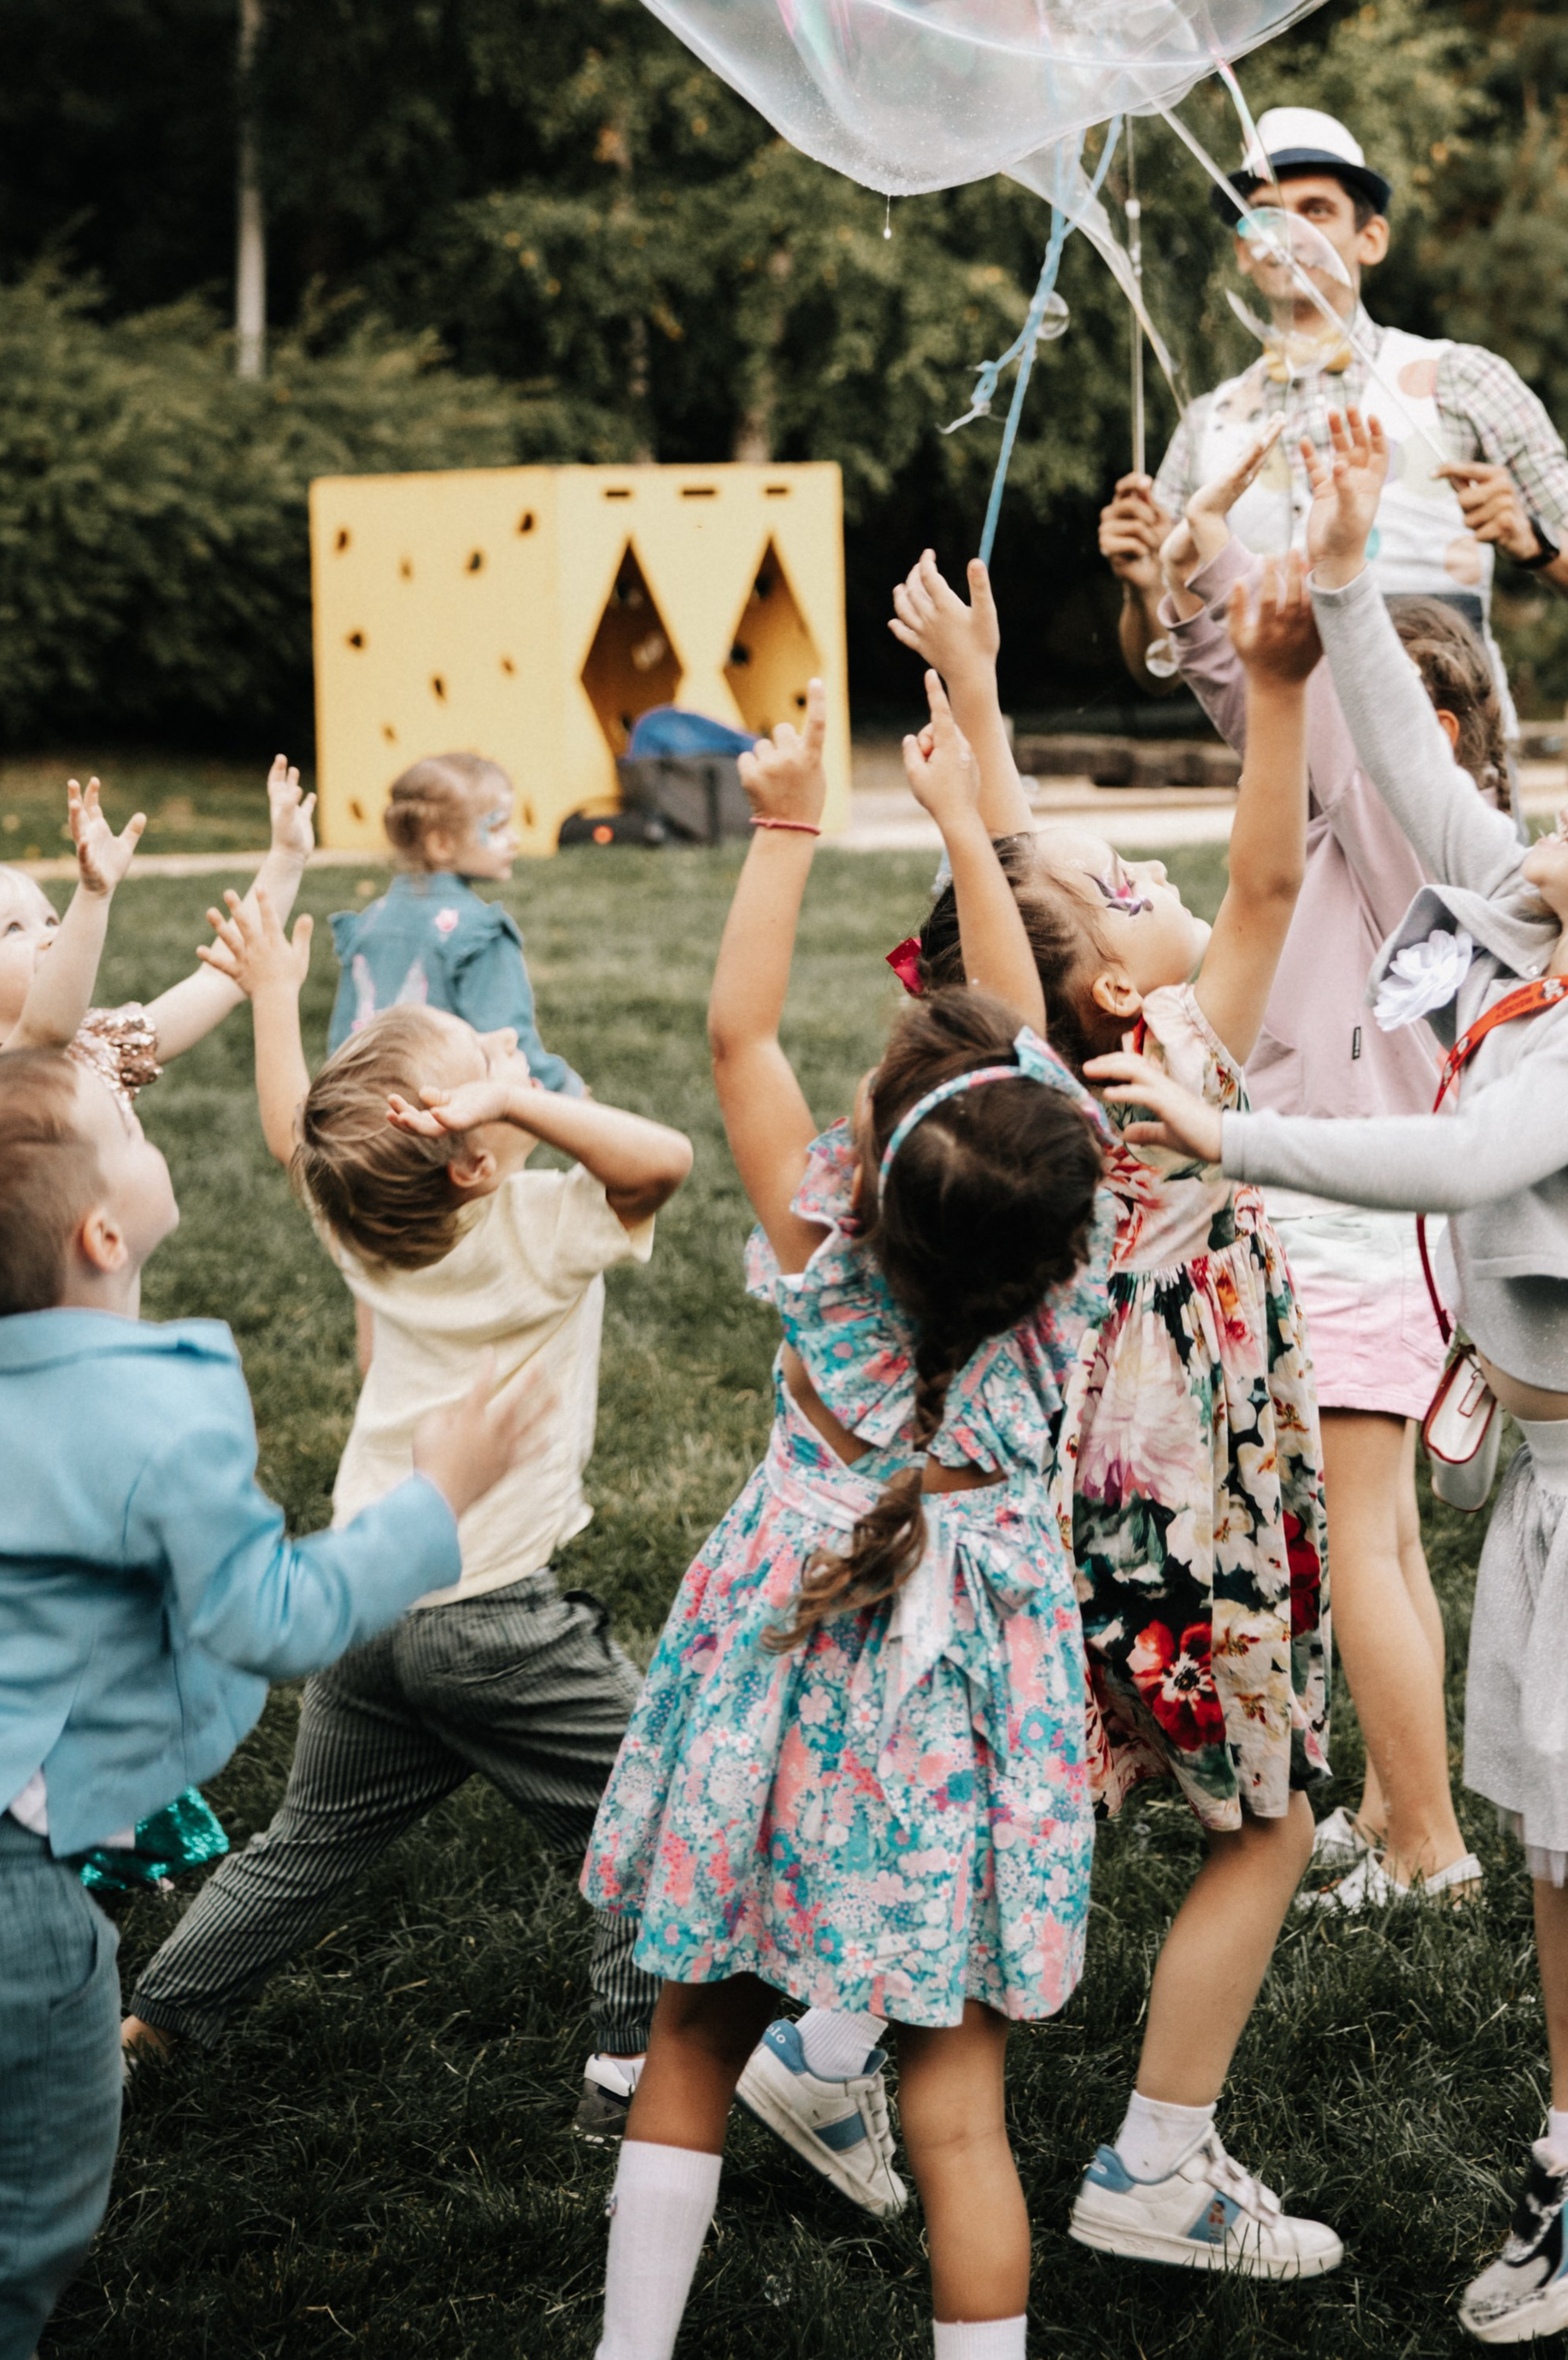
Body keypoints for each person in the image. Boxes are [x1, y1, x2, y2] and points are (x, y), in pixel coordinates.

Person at [1096, 406, 1568, 2359]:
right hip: (1553, 1487)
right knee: (1558, 1843)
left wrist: (1230, 1135)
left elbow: (1450, 1164)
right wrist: (1354, 570)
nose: (1555, 798)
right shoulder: (1535, 939)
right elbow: (1412, 765)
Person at [580, 677, 1113, 2360]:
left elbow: (737, 1035)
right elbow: (1025, 1056)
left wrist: (792, 826)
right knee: (957, 2121)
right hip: (960, 1726)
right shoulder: (1066, 1267)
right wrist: (966, 822)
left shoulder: (823, 1269)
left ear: (857, 1170)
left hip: (788, 1689)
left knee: (691, 2041)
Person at [0, 1045, 540, 2360]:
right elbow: (272, 1617)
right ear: (105, 1232)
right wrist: (436, 1497)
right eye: (125, 1129)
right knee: (0, 2230)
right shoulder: (157, 1413)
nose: (143, 1125)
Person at [883, 548, 1342, 2280]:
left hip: (1065, 1498)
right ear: (1118, 997)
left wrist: (982, 717)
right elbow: (1269, 871)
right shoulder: (1182, 1067)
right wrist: (1278, 695)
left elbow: (1018, 908)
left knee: (1054, 1775)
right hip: (1191, 1511)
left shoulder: (1038, 1085)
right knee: (1271, 1819)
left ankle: (820, 2052)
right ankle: (1158, 2159)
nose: (1156, 883)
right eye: (1131, 886)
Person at [120, 887, 691, 2117]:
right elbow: (665, 1159)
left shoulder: (356, 1217)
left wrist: (278, 993)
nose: (501, 1053)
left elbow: (293, 1131)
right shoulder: (541, 1227)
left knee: (307, 1839)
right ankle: (629, 2069)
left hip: (370, 1591)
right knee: (649, 1818)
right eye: (481, 1067)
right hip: (495, 1620)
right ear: (477, 1152)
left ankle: (154, 2022)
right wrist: (517, 1096)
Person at [1155, 437, 1506, 1911]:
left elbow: (1313, 708)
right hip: (1391, 1216)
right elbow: (1261, 692)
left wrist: (1262, 563)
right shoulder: (1420, 840)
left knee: (1354, 1537)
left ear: (1412, 721)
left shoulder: (1395, 826)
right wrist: (1200, 583)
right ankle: (1391, 1799)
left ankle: (1427, 1842)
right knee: (1385, 1537)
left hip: (1348, 1215)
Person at [1098, 103, 1568, 689]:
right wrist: (1144, 584)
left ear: (1371, 238)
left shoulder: (1462, 378)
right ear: (1242, 252)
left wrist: (1532, 541)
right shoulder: (1207, 424)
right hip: (1281, 769)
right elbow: (1161, 674)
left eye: (1316, 211)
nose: (1287, 235)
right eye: (1265, 218)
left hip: (1451, 764)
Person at [0, 756, 314, 1093]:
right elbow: (46, 1031)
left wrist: (286, 857)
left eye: (52, 919)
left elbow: (219, 978)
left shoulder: (102, 1043)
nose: (54, 933)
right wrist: (93, 896)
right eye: (14, 928)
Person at [327, 749, 581, 1094]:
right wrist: (568, 1090)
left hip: (368, 1118)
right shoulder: (478, 934)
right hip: (447, 1117)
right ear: (441, 844)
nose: (514, 839)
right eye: (498, 825)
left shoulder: (370, 922)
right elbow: (509, 1043)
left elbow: (343, 1040)